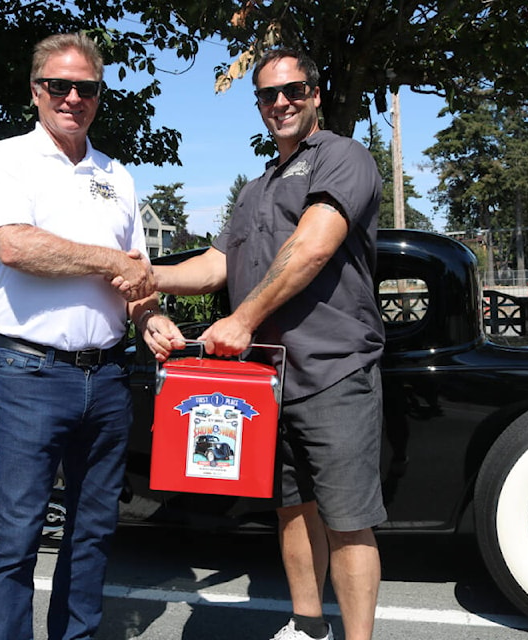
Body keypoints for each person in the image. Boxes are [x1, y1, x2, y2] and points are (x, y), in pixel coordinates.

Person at [133, 47, 387, 640]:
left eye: (293, 90)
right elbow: (215, 264)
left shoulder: (342, 156)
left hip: (333, 370)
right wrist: (149, 276)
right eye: (268, 95)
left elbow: (314, 245)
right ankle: (307, 625)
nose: (281, 102)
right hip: (265, 381)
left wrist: (243, 319)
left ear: (316, 94)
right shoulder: (255, 188)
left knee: (348, 519)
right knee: (292, 508)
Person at [0, 32, 161, 640]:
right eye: (59, 85)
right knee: (18, 533)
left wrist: (148, 315)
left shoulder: (118, 175)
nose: (73, 97)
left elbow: (133, 279)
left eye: (86, 87)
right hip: (32, 371)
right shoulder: (6, 159)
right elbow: (15, 245)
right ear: (36, 91)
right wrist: (113, 262)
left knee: (93, 530)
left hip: (107, 374)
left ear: (100, 95)